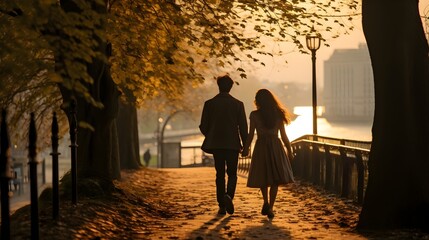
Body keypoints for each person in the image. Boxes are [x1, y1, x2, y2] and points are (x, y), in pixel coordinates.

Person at [241, 89, 294, 219]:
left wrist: (246, 148)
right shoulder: (278, 114)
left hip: (261, 146)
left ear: (258, 100)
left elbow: (250, 134)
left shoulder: (254, 115)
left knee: (263, 175)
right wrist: (289, 150)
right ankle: (271, 206)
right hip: (276, 146)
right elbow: (284, 136)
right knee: (275, 178)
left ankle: (265, 201)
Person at [199, 75, 248, 215]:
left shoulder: (209, 104)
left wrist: (212, 135)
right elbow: (243, 128)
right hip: (232, 144)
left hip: (217, 144)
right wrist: (246, 146)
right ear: (231, 87)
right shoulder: (238, 104)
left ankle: (221, 205)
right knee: (232, 173)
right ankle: (229, 196)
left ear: (218, 86)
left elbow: (203, 126)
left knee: (219, 174)